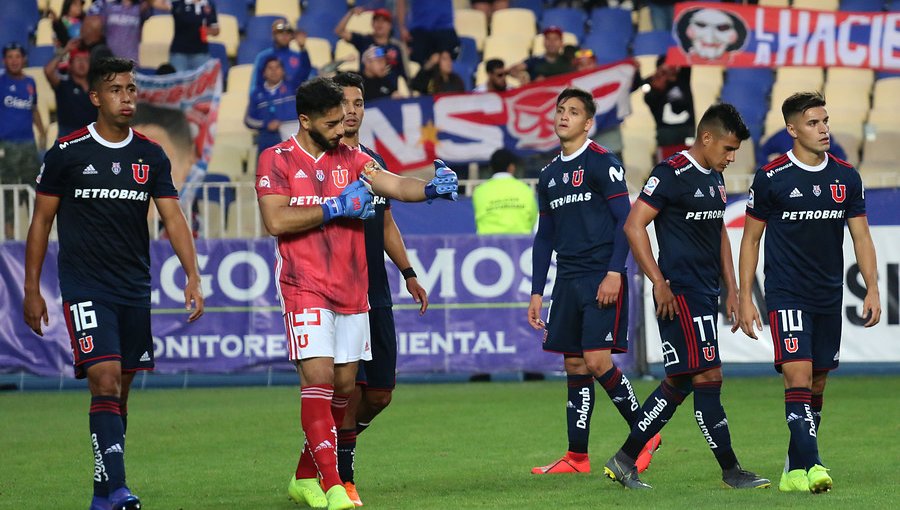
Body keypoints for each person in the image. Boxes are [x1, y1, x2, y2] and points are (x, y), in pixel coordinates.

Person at [254, 76, 457, 510]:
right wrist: (334, 207)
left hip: (353, 288)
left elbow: (395, 186)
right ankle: (334, 486)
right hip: (304, 285)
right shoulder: (277, 159)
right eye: (330, 123)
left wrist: (430, 189)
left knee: (346, 387)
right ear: (305, 120)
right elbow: (275, 221)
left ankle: (304, 477)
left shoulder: (355, 158)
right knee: (321, 380)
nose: (340, 129)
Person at [23, 56, 204, 510]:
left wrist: (193, 275)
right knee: (103, 380)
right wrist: (31, 288)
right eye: (117, 89)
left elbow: (173, 217)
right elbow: (41, 222)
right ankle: (120, 488)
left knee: (119, 391)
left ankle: (104, 494)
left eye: (131, 89)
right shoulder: (67, 153)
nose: (127, 97)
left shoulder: (150, 154)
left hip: (133, 288)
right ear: (96, 97)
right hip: (85, 285)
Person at [604, 103, 770, 490]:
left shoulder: (713, 179)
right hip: (678, 294)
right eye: (728, 149)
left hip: (703, 292)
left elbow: (719, 239)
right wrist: (659, 282)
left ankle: (624, 459)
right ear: (706, 137)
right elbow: (634, 226)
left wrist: (731, 288)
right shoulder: (671, 173)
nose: (732, 158)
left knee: (680, 383)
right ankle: (731, 471)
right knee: (708, 374)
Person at [737, 92, 881, 494]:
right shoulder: (771, 177)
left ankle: (792, 469)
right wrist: (745, 297)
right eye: (814, 123)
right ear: (792, 129)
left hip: (828, 295)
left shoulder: (846, 176)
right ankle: (814, 464)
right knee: (797, 374)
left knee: (817, 383)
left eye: (825, 121)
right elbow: (750, 241)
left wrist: (872, 288)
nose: (823, 129)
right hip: (787, 292)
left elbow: (862, 236)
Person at [527, 88, 656, 476]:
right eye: (560, 109)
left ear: (588, 123)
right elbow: (544, 236)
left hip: (602, 273)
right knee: (574, 364)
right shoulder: (548, 175)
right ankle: (576, 457)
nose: (563, 116)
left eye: (573, 112)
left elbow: (626, 220)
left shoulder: (603, 162)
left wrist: (616, 271)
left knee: (598, 360)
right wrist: (536, 291)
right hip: (567, 279)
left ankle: (646, 433)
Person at [330, 71, 430, 507]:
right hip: (336, 291)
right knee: (348, 388)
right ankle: (344, 476)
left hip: (377, 290)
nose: (352, 111)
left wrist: (408, 272)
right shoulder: (319, 161)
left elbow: (385, 220)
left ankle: (332, 444)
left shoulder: (368, 160)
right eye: (344, 103)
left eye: (358, 103)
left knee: (381, 394)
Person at [1, 43, 47, 237]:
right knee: (9, 195)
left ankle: (34, 237)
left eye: (17, 56)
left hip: (28, 146)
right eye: (10, 57)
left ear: (24, 59)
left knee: (33, 191)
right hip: (7, 147)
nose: (14, 60)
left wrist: (43, 131)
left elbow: (33, 108)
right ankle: (10, 240)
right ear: (4, 61)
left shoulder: (30, 82)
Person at [335, 7, 408, 86]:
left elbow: (403, 74)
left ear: (390, 26)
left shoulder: (396, 48)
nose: (380, 24)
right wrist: (351, 13)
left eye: (384, 21)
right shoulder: (364, 40)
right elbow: (339, 31)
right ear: (372, 24)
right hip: (366, 88)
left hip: (390, 92)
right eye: (377, 20)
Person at [472, 148, 537, 235]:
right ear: (511, 167)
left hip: (488, 244)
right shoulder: (525, 189)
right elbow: (533, 219)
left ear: (491, 167)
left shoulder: (479, 191)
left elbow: (478, 220)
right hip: (520, 244)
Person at [644, 57, 694, 162]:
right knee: (667, 166)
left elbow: (687, 59)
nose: (671, 68)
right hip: (666, 135)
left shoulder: (683, 79)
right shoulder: (652, 84)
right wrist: (658, 88)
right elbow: (649, 98)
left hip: (687, 132)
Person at [244, 56, 296, 157]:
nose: (274, 71)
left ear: (283, 71)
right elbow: (249, 120)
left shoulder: (293, 89)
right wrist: (266, 124)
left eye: (277, 67)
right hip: (268, 141)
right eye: (270, 68)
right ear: (263, 73)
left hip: (293, 140)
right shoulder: (256, 94)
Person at [44, 40, 96, 137]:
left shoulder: (96, 87)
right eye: (78, 59)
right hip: (68, 138)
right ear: (70, 65)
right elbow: (48, 71)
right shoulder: (63, 85)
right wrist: (65, 50)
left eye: (85, 60)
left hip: (92, 137)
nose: (82, 63)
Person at [250, 18, 312, 96]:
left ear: (292, 36)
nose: (284, 35)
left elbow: (305, 76)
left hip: (293, 99)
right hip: (270, 99)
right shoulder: (263, 57)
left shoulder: (300, 57)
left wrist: (302, 48)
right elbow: (256, 85)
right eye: (280, 32)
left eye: (288, 32)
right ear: (273, 35)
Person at [87, 0, 162, 64]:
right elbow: (95, 26)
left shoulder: (138, 8)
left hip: (130, 61)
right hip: (109, 59)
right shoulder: (109, 7)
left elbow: (150, 3)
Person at [395, 0, 460, 65]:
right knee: (419, 66)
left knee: (446, 66)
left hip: (445, 28)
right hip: (419, 30)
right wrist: (402, 28)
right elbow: (401, 2)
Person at [168, 0, 219, 72]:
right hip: (179, 53)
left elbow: (216, 29)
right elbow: (157, 3)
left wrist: (207, 30)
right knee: (178, 81)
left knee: (202, 81)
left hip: (201, 53)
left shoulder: (209, 5)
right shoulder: (178, 3)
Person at [757, 127, 847, 166]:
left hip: (816, 177)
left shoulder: (820, 134)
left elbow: (841, 156)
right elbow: (762, 153)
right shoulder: (781, 136)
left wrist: (829, 168)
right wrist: (773, 167)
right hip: (788, 178)